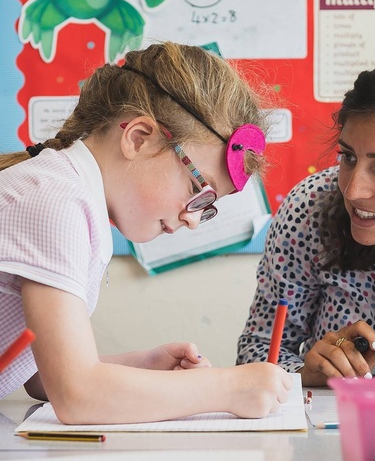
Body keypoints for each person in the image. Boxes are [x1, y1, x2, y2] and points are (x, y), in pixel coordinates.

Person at [0, 41, 291, 423]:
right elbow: (74, 394)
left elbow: (39, 376)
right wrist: (229, 388)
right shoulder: (56, 201)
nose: (191, 219)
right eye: (196, 191)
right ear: (137, 137)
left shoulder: (69, 195)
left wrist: (144, 365)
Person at [237, 69, 375, 387]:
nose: (353, 191)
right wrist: (308, 374)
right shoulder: (310, 207)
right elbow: (256, 352)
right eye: (348, 157)